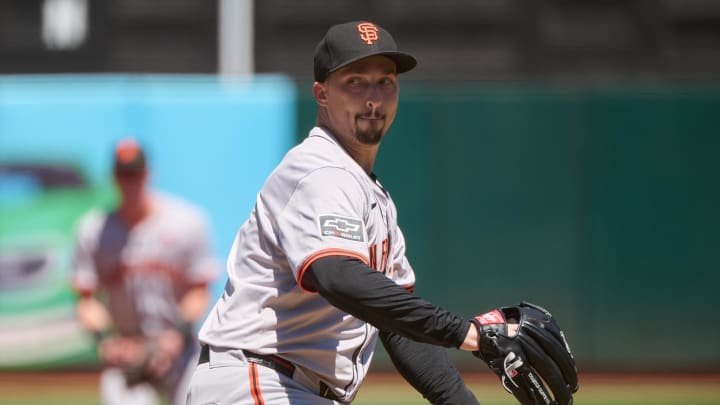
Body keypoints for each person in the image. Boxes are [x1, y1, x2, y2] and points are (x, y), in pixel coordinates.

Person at [186, 21, 577, 405]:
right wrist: (469, 334)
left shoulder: (371, 195)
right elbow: (338, 277)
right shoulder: (319, 171)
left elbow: (398, 329)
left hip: (289, 386)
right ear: (321, 94)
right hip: (258, 380)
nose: (373, 98)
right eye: (355, 81)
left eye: (385, 81)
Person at [72, 138, 219, 405]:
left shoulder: (187, 221)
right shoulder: (93, 230)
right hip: (127, 348)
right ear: (114, 177)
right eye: (124, 174)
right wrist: (106, 340)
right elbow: (86, 299)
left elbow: (199, 289)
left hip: (178, 345)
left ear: (149, 173)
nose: (131, 181)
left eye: (136, 173)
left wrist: (176, 333)